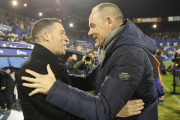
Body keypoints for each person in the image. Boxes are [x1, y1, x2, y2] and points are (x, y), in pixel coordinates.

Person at [21, 3, 157, 120]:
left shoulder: (128, 53)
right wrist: (111, 110)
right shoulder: (115, 51)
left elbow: (103, 110)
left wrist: (54, 88)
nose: (89, 32)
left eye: (92, 25)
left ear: (109, 22)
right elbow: (90, 82)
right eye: (62, 32)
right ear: (46, 36)